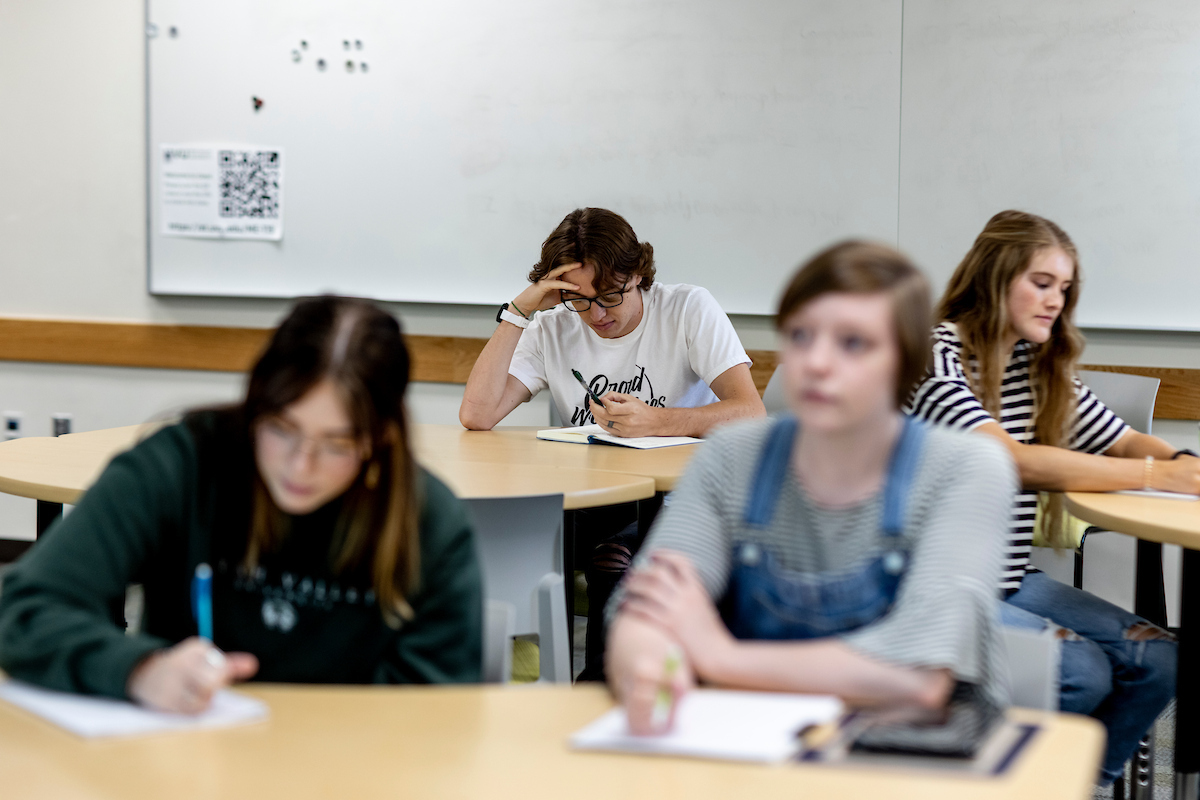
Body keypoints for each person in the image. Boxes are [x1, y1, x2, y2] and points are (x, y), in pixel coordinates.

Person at [606, 241, 1015, 736]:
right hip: (745, 747)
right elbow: (646, 609)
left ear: (903, 362)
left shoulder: (966, 469)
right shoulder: (729, 456)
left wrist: (718, 657)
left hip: (900, 758)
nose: (817, 362)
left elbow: (917, 675)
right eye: (801, 336)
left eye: (853, 343)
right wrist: (649, 664)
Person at [0, 296, 482, 712]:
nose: (299, 467)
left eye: (336, 444)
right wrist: (138, 670)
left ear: (381, 439)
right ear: (255, 404)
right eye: (281, 430)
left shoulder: (426, 519)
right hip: (183, 761)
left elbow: (443, 708)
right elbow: (22, 610)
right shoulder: (182, 465)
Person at [907, 209, 1185, 785]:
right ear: (993, 277)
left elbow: (1126, 441)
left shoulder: (1038, 364)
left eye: (1064, 288)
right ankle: (979, 784)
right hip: (923, 587)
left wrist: (1183, 465)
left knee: (1158, 659)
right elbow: (1008, 459)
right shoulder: (933, 357)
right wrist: (1161, 477)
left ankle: (1077, 786)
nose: (1055, 300)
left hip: (1007, 577)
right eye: (1041, 283)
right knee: (1081, 672)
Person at [460, 207, 765, 680]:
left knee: (613, 559)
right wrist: (521, 312)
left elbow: (750, 412)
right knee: (496, 536)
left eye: (609, 297)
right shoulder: (553, 326)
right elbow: (477, 415)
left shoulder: (687, 309)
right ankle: (524, 673)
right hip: (589, 494)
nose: (596, 316)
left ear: (637, 274)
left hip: (678, 496)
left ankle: (602, 688)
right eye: (579, 301)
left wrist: (658, 422)